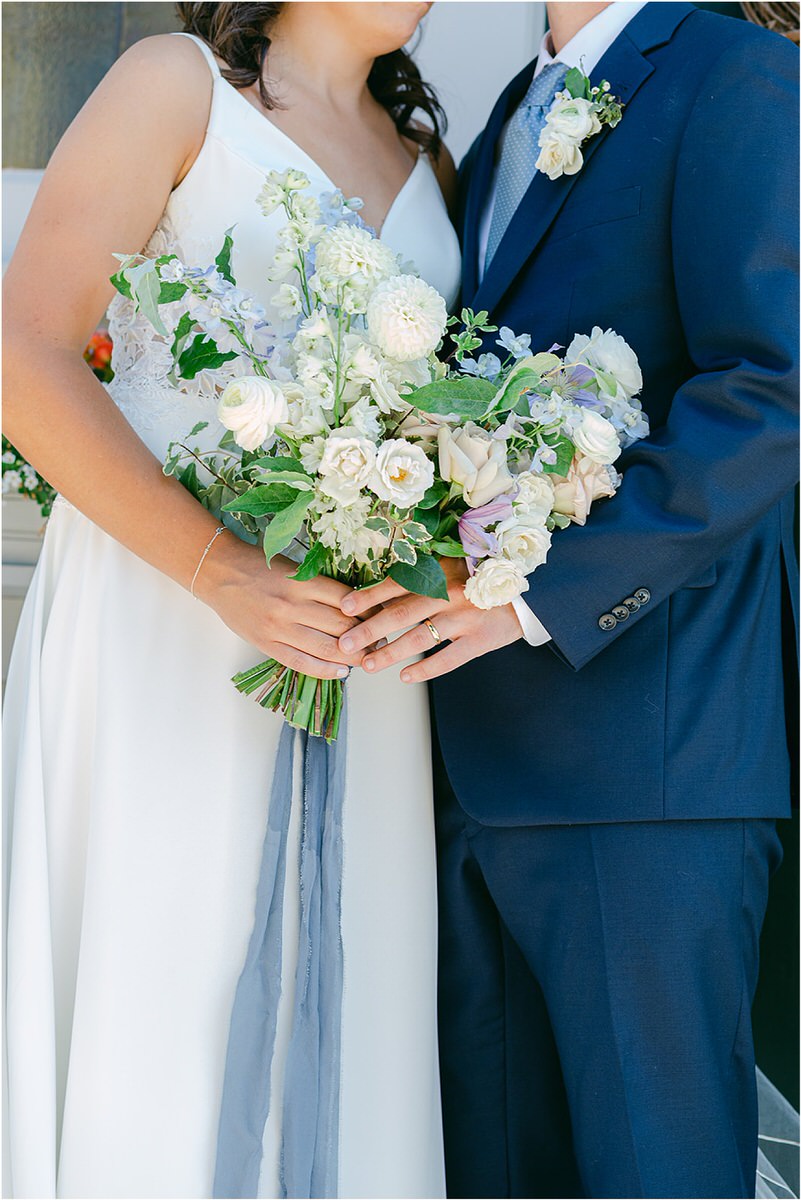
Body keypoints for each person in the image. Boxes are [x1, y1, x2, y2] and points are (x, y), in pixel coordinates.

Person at [337, 2, 799, 1196]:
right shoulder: (501, 117)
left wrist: (528, 595)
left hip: (644, 770)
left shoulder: (735, 74)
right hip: (465, 773)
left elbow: (773, 390)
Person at [2, 3, 461, 1196]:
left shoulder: (434, 160)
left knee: (359, 995)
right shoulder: (178, 85)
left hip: (358, 659)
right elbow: (23, 350)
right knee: (166, 977)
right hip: (167, 616)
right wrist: (224, 574)